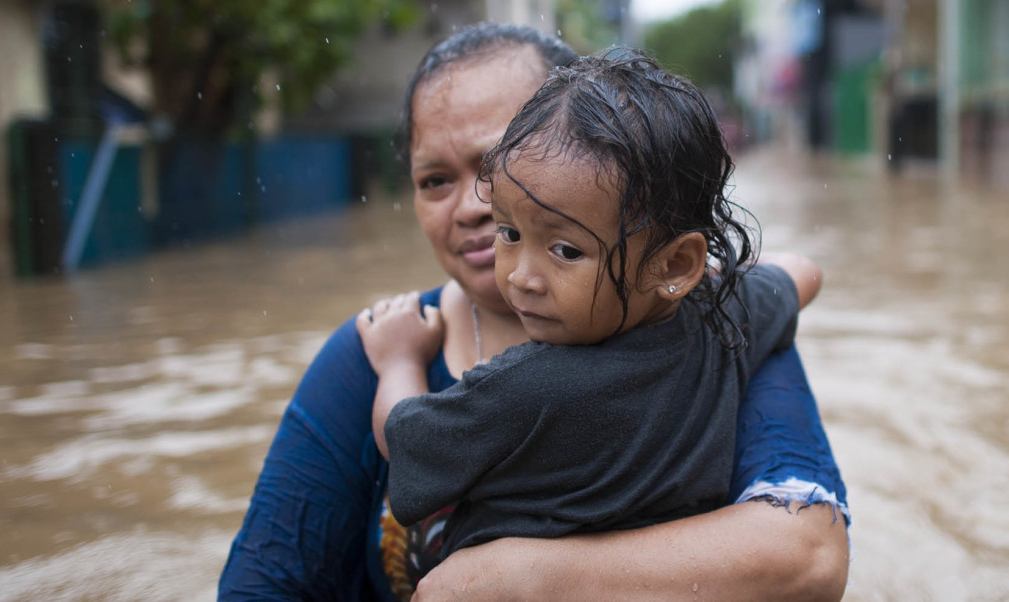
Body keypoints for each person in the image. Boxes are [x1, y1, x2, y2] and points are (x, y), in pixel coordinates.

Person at [219, 23, 850, 601]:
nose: (473, 205)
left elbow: (811, 555)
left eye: (493, 167)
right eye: (434, 179)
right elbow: (264, 586)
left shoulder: (425, 358)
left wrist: (527, 575)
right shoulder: (722, 315)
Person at [359, 48, 821, 568]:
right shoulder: (727, 320)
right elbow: (803, 272)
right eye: (509, 232)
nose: (520, 276)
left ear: (674, 263)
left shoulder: (526, 389)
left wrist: (398, 360)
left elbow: (403, 443)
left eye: (566, 251)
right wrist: (713, 277)